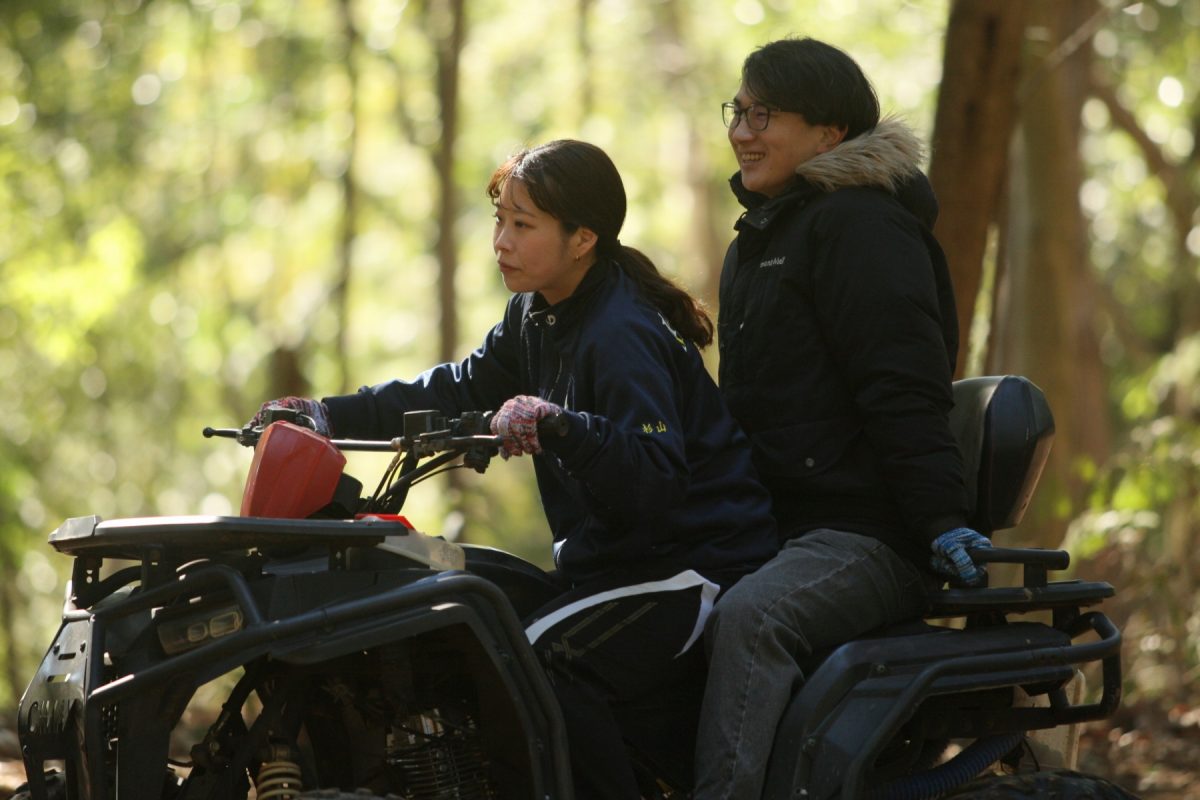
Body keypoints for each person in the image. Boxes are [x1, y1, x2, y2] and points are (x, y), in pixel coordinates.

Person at [251, 139, 778, 798]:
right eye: (500, 219)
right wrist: (325, 415)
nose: (501, 241)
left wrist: (564, 427)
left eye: (523, 225)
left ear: (582, 238)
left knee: (537, 665)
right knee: (447, 588)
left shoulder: (621, 333)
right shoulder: (535, 312)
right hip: (610, 566)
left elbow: (657, 480)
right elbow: (456, 388)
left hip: (695, 564)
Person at [691, 37, 993, 799]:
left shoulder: (862, 226)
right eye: (738, 111)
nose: (742, 131)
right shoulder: (759, 241)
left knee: (754, 618)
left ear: (828, 134)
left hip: (868, 532)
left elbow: (904, 388)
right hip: (777, 525)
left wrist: (939, 521)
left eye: (765, 115)